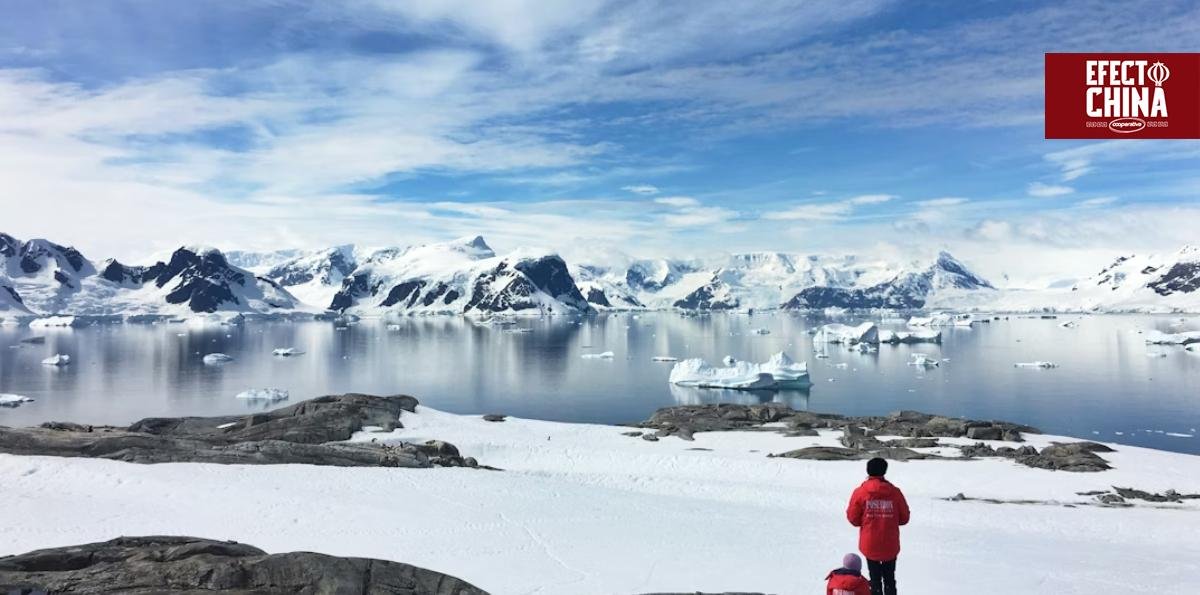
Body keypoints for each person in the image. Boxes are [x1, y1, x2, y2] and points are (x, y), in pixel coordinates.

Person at [846, 457, 909, 595]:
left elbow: (853, 518)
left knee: (874, 579)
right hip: (890, 543)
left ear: (868, 471)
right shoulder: (895, 493)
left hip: (870, 543)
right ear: (884, 471)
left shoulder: (860, 492)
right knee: (890, 579)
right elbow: (904, 518)